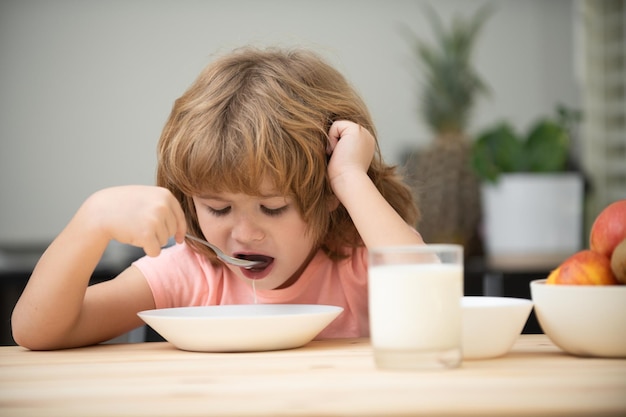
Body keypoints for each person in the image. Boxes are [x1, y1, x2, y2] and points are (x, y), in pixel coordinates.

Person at [11, 47, 423, 350]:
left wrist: (349, 176)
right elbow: (38, 331)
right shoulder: (190, 273)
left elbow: (427, 292)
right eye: (218, 208)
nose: (244, 233)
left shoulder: (356, 265)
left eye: (273, 207)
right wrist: (91, 220)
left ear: (329, 194)